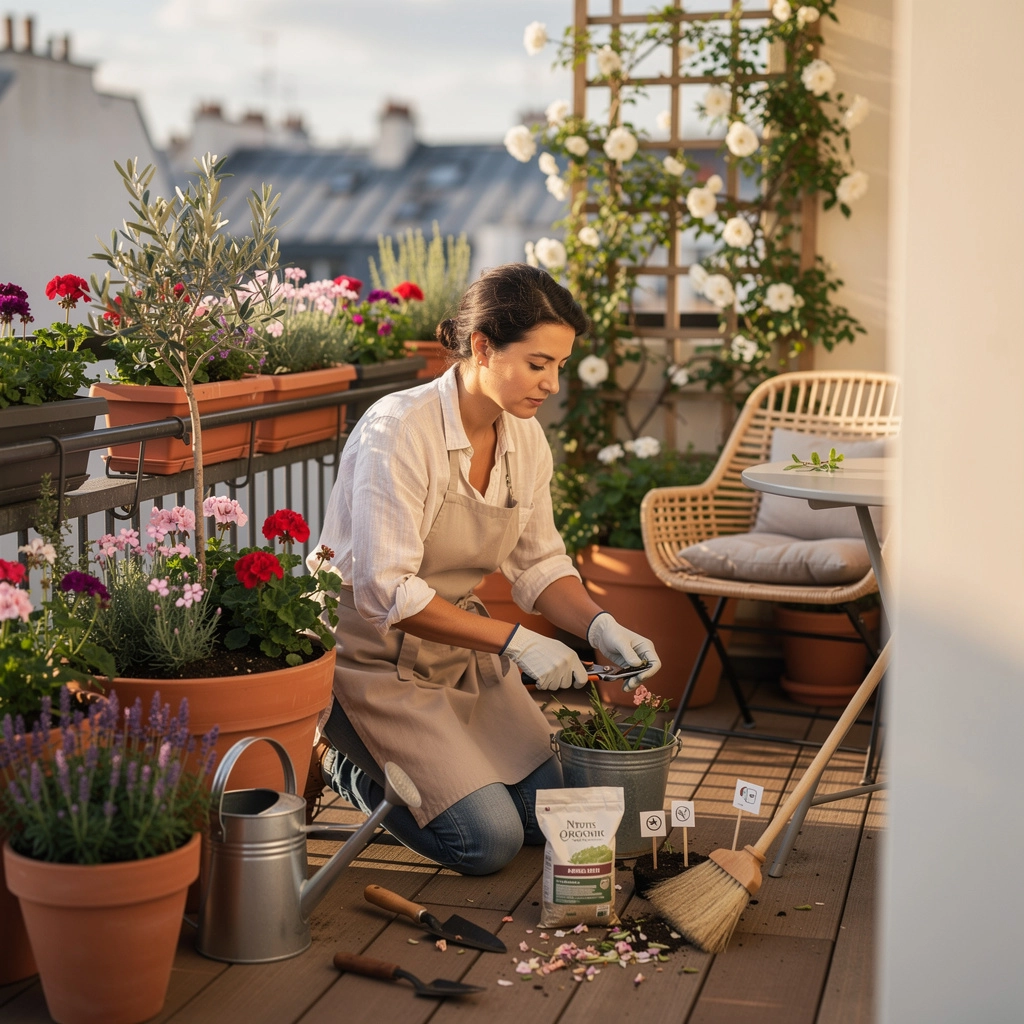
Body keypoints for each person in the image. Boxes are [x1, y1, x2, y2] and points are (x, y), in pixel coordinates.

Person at [307, 263, 661, 875]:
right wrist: (519, 642)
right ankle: (342, 761)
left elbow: (541, 564)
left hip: (458, 656)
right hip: (372, 660)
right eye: (537, 363)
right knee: (488, 841)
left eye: (559, 366)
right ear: (481, 346)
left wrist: (600, 626)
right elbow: (386, 592)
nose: (551, 383)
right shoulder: (399, 431)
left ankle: (436, 780)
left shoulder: (525, 440)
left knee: (548, 816)